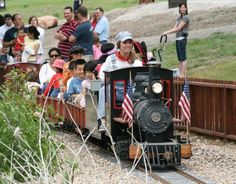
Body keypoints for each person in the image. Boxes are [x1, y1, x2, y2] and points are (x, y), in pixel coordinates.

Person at [97, 31, 142, 132]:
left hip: (131, 91)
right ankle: (103, 120)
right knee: (104, 89)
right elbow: (101, 75)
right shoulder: (111, 59)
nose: (128, 45)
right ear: (119, 44)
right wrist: (107, 79)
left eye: (130, 42)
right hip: (115, 91)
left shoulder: (136, 61)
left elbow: (142, 77)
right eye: (125, 42)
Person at [162, 2, 190, 78]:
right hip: (178, 39)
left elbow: (178, 29)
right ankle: (180, 73)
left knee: (183, 57)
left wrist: (167, 32)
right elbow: (175, 28)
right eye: (181, 7)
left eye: (183, 7)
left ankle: (182, 74)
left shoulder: (186, 17)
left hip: (182, 39)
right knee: (180, 58)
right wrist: (167, 32)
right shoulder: (178, 17)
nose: (182, 9)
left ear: (186, 8)